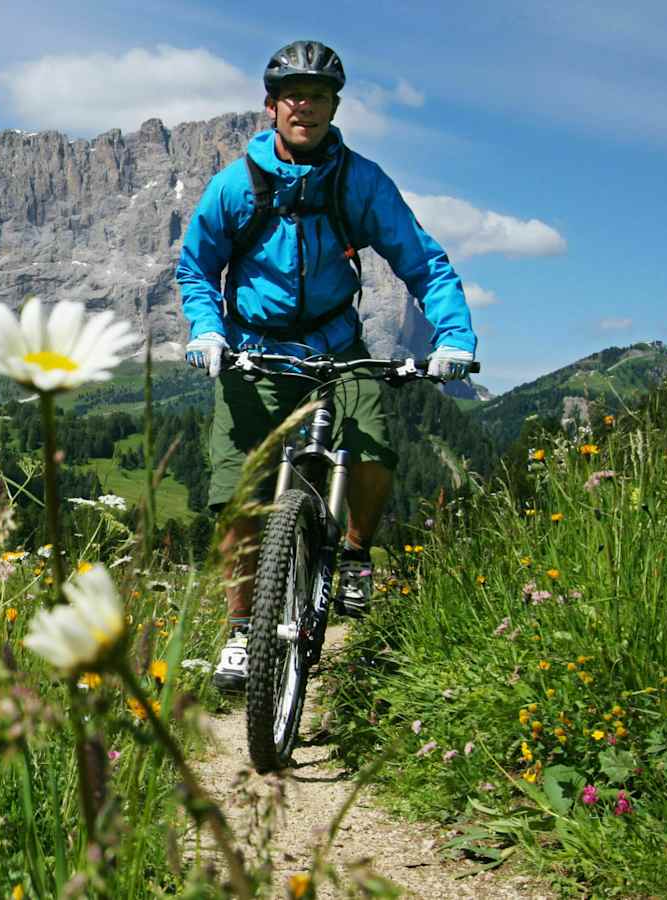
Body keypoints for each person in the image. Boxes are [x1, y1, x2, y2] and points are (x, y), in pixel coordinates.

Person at [174, 40, 477, 692]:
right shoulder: (234, 185)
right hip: (254, 349)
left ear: (335, 105)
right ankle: (239, 631)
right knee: (239, 494)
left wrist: (453, 334)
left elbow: (422, 260)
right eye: (291, 94)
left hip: (338, 346)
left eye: (317, 94)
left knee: (371, 449)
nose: (303, 105)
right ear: (271, 105)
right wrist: (207, 329)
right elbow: (197, 267)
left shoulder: (359, 182)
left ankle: (357, 553)